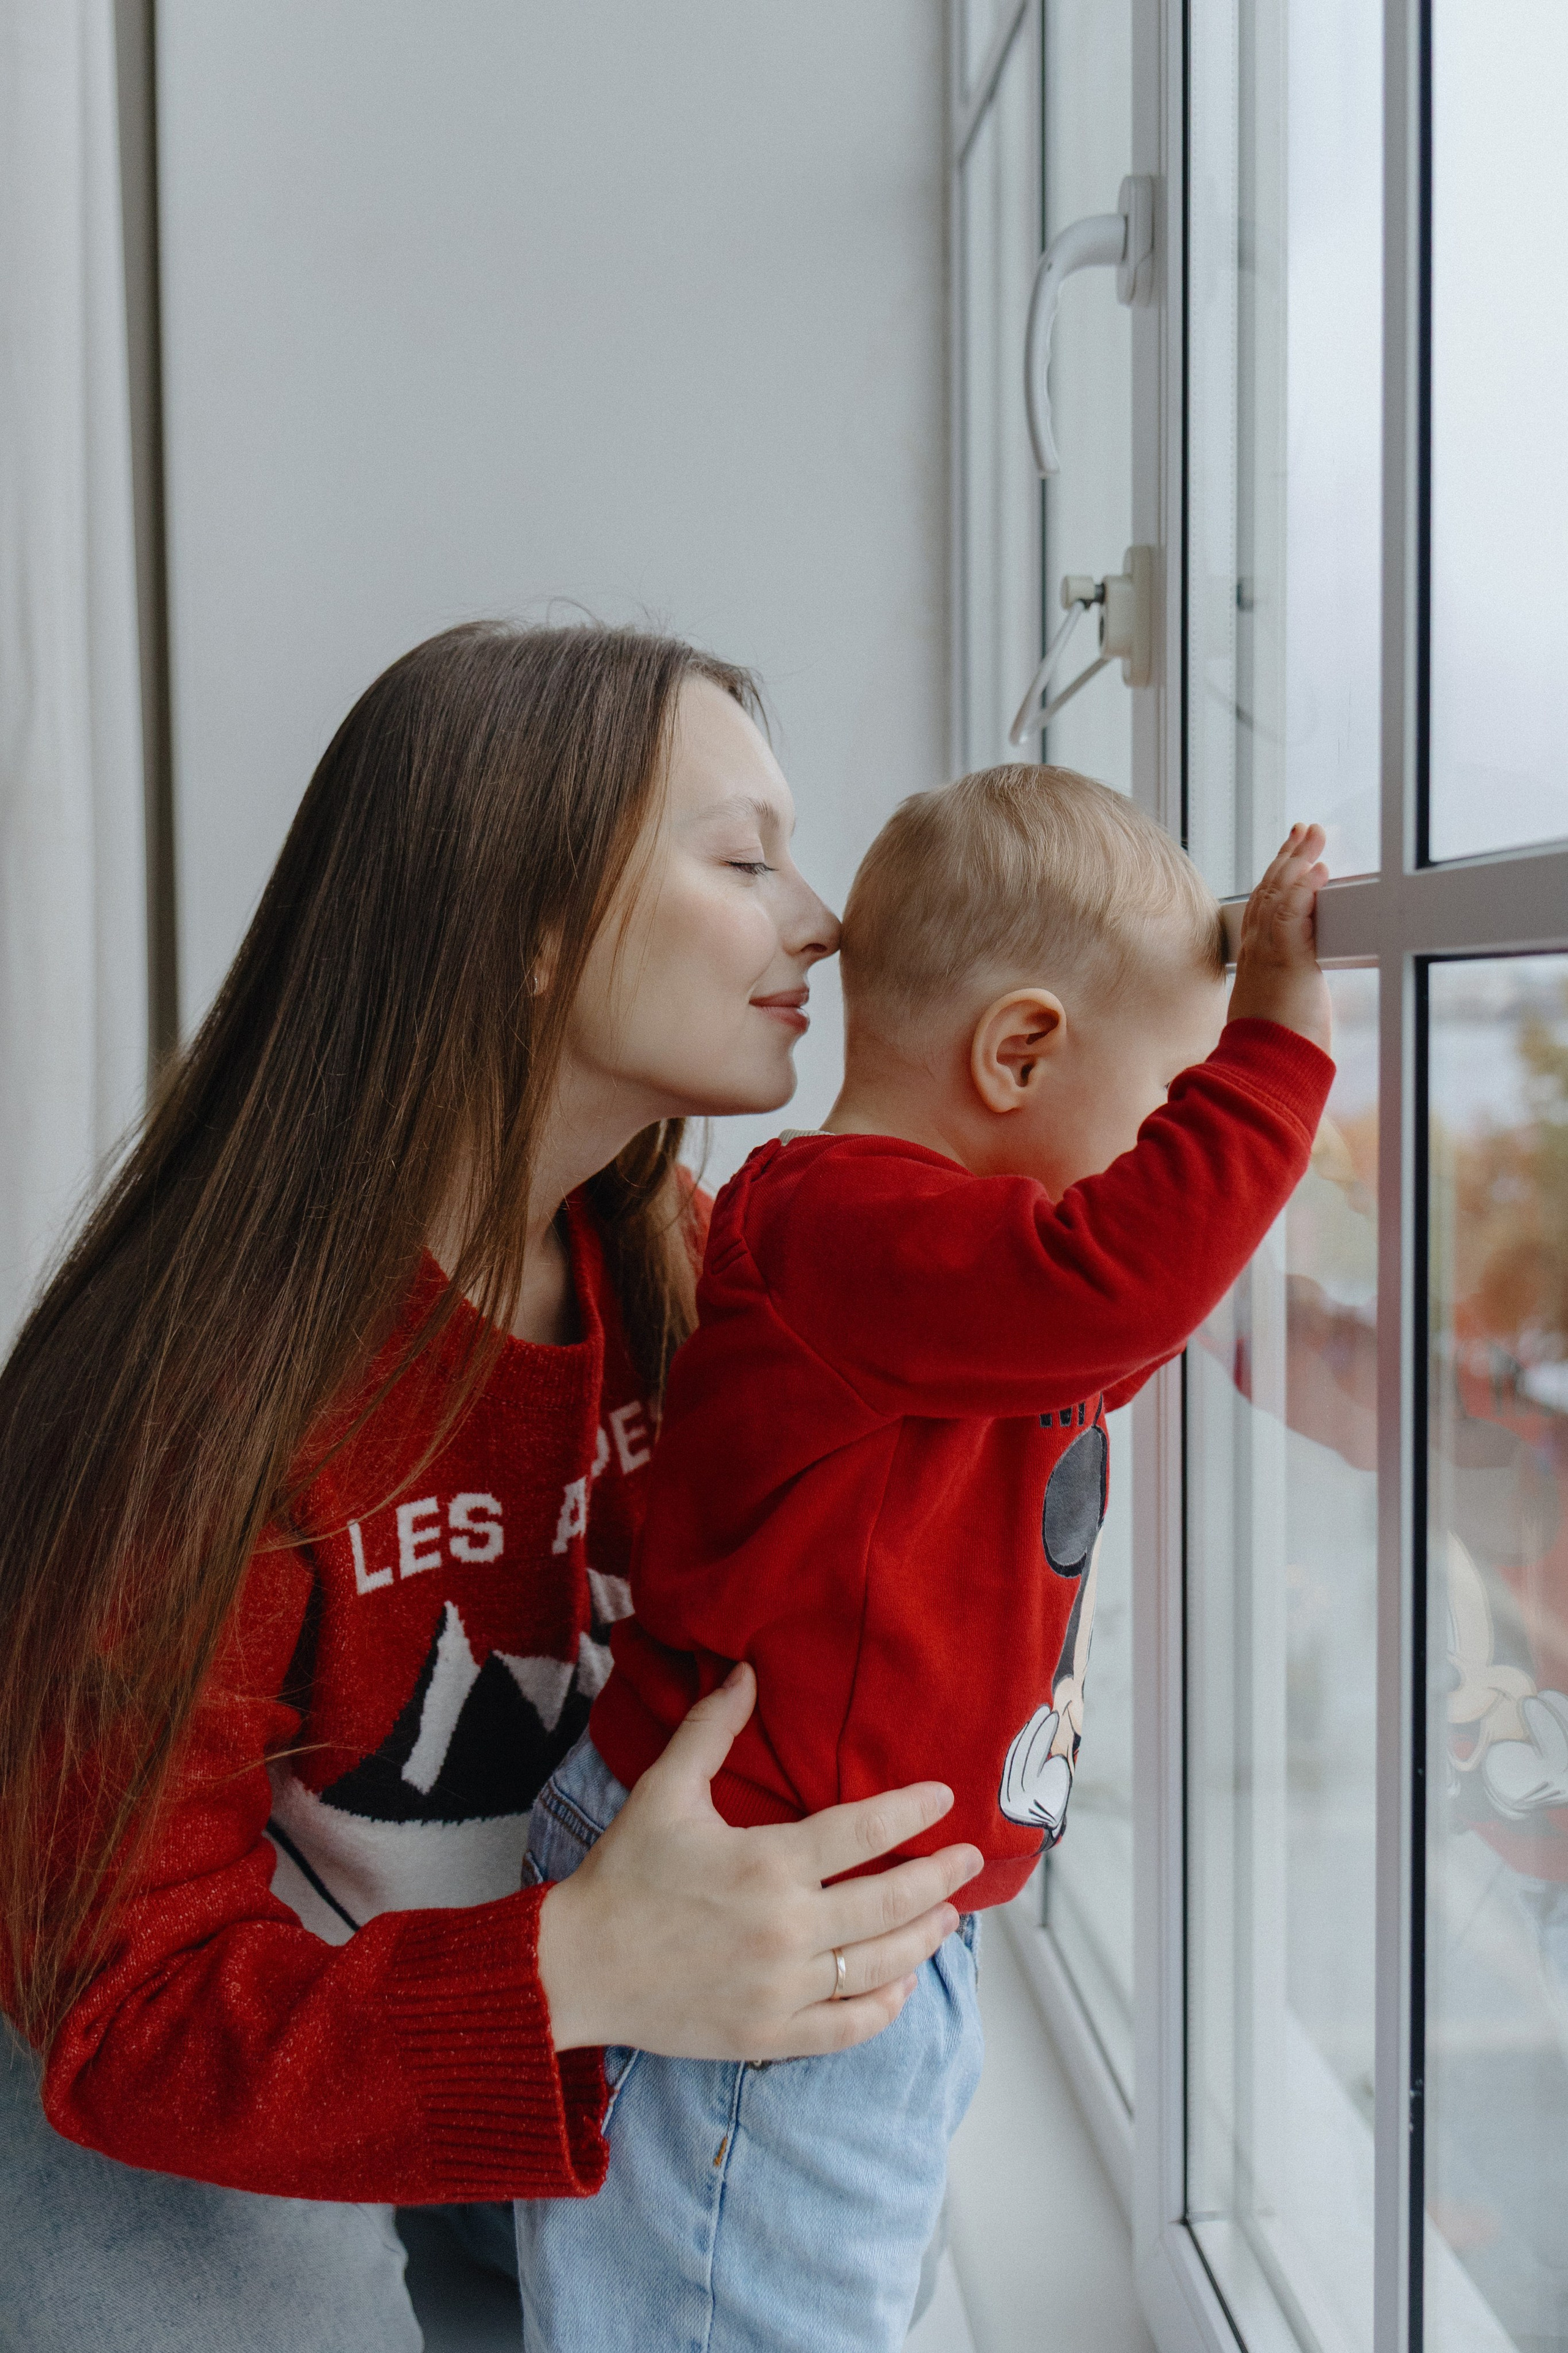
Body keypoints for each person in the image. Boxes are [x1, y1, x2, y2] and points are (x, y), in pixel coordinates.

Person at [0, 624, 983, 2353]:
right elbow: (118, 2007)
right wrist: (583, 1965)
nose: (823, 919)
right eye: (745, 860)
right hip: (208, 2168)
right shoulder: (190, 1396)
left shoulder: (690, 1275)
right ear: (526, 926)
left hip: (534, 2127)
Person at [514, 769, 1336, 2351]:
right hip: (749, 1927)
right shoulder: (839, 1225)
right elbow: (1119, 1285)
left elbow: (1096, 1349)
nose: (1167, 1156)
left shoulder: (928, 1285)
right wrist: (1277, 1048)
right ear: (1018, 1051)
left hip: (845, 1917)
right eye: (1171, 1102)